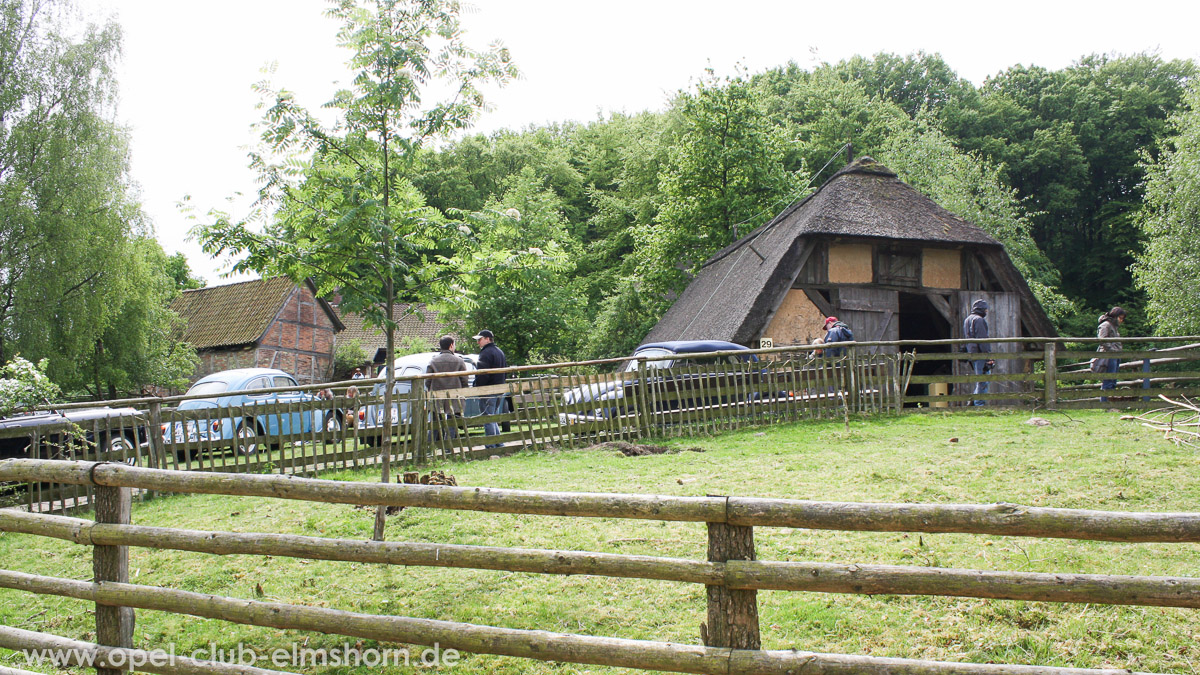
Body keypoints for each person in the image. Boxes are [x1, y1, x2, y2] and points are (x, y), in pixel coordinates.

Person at [427, 336, 469, 440]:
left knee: (435, 423)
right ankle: (448, 447)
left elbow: (427, 381)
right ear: (451, 345)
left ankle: (429, 447)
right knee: (452, 422)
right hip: (454, 397)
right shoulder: (459, 361)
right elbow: (464, 380)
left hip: (437, 397)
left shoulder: (433, 361)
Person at [472, 329, 507, 447]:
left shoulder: (485, 353)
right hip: (499, 389)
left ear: (487, 339)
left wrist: (478, 387)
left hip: (488, 390)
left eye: (480, 340)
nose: (478, 343)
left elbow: (482, 374)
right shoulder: (499, 352)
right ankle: (499, 444)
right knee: (493, 417)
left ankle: (491, 446)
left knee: (487, 418)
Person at [963, 299, 995, 406]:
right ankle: (979, 404)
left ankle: (972, 402)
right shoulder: (979, 320)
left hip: (972, 353)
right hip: (980, 354)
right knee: (983, 379)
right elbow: (982, 339)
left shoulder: (968, 319)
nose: (986, 311)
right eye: (985, 309)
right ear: (982, 309)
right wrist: (988, 356)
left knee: (980, 379)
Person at [1097, 306, 1127, 402]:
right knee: (1108, 380)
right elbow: (1102, 340)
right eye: (1120, 318)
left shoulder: (1113, 326)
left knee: (1113, 380)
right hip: (1109, 356)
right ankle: (1105, 402)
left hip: (1114, 355)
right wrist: (1112, 351)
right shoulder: (1106, 325)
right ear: (1115, 316)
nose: (1121, 320)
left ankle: (1109, 402)